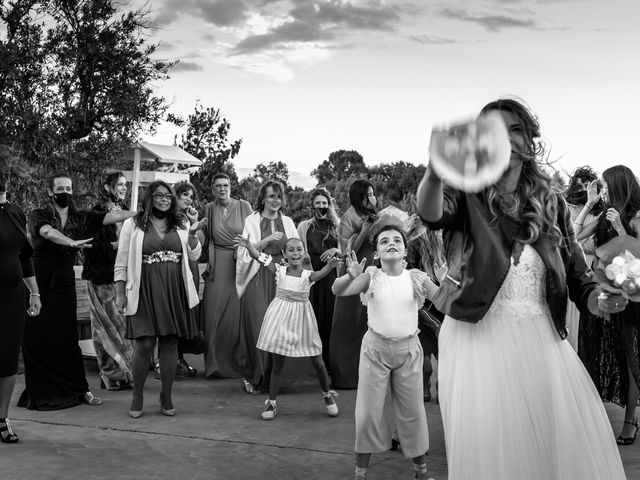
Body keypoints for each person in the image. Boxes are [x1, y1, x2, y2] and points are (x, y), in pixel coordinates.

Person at [417, 98, 627, 479]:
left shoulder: (553, 204)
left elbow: (579, 277)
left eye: (516, 129)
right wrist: (435, 171)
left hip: (542, 344)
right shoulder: (465, 191)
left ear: (530, 141)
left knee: (554, 450)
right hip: (477, 343)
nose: (508, 138)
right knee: (496, 453)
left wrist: (600, 299)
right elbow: (431, 214)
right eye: (496, 130)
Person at [19, 172, 133, 411]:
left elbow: (109, 217)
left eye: (69, 189)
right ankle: (41, 392)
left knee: (67, 337)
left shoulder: (80, 218)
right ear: (51, 192)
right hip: (39, 281)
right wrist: (70, 242)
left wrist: (138, 214)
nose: (65, 193)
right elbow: (47, 232)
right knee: (40, 337)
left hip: (64, 282)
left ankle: (78, 389)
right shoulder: (38, 214)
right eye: (60, 189)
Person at [332, 224, 438, 480]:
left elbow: (445, 301)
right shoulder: (371, 275)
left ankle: (421, 472)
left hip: (409, 351)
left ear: (404, 250)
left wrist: (443, 281)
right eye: (384, 241)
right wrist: (350, 274)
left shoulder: (416, 276)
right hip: (375, 351)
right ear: (377, 253)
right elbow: (338, 290)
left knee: (413, 412)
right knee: (368, 412)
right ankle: (360, 473)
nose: (391, 243)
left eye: (397, 240)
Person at [114, 180, 202, 418]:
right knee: (144, 344)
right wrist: (121, 293)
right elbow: (121, 261)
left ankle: (166, 395)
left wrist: (193, 234)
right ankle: (138, 394)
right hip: (144, 288)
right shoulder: (133, 224)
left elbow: (194, 253)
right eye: (158, 195)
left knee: (170, 343)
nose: (164, 199)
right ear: (149, 198)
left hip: (174, 288)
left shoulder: (181, 222)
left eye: (168, 196)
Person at [235, 236, 341, 421]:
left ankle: (327, 395)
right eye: (290, 250)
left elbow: (321, 273)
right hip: (281, 318)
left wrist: (331, 266)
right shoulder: (279, 270)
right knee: (278, 363)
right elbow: (258, 256)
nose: (295, 253)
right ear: (284, 253)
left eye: (299, 249)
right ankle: (272, 402)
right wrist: (248, 245)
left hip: (303, 319)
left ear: (304, 253)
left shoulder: (308, 275)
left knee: (317, 360)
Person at [574, 164, 640, 445]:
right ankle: (596, 413)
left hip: (630, 295)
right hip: (604, 292)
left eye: (604, 184)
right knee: (598, 348)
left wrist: (619, 227)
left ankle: (630, 419)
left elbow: (637, 254)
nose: (602, 189)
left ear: (618, 183)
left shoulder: (636, 216)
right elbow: (574, 236)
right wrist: (589, 203)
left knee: (630, 355)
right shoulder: (604, 212)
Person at [236, 180, 298, 394]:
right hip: (258, 275)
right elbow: (244, 252)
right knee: (258, 324)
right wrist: (267, 240)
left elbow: (297, 249)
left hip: (281, 277)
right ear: (262, 198)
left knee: (281, 327)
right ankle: (253, 375)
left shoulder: (288, 221)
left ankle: (275, 377)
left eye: (278, 196)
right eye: (271, 196)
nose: (275, 200)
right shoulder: (251, 220)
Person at [0, 157, 41, 443]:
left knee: (7, 359)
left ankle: (2, 418)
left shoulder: (14, 212)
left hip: (13, 298)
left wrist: (35, 293)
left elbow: (25, 256)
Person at [82, 171, 134, 391]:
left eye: (125, 184)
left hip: (122, 278)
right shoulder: (96, 214)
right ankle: (109, 373)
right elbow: (89, 247)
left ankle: (124, 372)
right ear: (106, 187)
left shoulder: (124, 213)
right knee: (105, 327)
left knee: (122, 327)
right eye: (119, 184)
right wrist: (118, 247)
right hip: (101, 277)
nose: (123, 188)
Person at [201, 173, 252, 378]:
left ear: (231, 187)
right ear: (213, 189)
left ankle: (238, 364)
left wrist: (244, 251)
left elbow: (253, 235)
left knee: (236, 314)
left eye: (226, 185)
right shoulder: (209, 209)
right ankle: (214, 365)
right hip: (218, 262)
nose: (222, 189)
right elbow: (205, 238)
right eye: (218, 186)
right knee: (212, 314)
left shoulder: (244, 206)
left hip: (239, 262)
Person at [329, 179, 377, 389]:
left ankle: (370, 373)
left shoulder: (375, 215)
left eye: (374, 194)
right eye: (368, 194)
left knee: (367, 321)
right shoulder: (348, 218)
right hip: (353, 271)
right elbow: (349, 253)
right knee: (349, 322)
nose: (373, 198)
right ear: (359, 197)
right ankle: (345, 376)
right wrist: (365, 230)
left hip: (373, 270)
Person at [297, 188, 341, 369]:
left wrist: (336, 250)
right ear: (312, 206)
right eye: (318, 203)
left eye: (324, 203)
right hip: (312, 275)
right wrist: (304, 257)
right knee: (312, 317)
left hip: (331, 276)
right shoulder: (304, 226)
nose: (321, 207)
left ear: (328, 205)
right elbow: (296, 249)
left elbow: (347, 249)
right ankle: (313, 362)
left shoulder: (337, 226)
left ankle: (330, 362)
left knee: (330, 316)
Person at [563, 166, 603, 350]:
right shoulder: (566, 208)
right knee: (570, 320)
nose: (583, 191)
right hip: (572, 268)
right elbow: (573, 239)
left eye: (587, 186)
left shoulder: (599, 213)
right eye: (580, 186)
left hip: (593, 271)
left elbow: (595, 246)